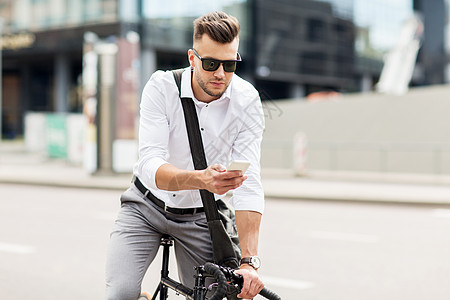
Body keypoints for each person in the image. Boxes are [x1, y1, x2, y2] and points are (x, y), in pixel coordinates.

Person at [106, 11, 265, 300]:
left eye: (229, 64)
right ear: (192, 59)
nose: (220, 73)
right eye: (211, 63)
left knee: (215, 296)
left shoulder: (247, 100)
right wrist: (201, 179)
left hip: (202, 217)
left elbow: (249, 183)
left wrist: (248, 262)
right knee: (120, 294)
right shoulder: (161, 87)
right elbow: (149, 164)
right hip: (146, 207)